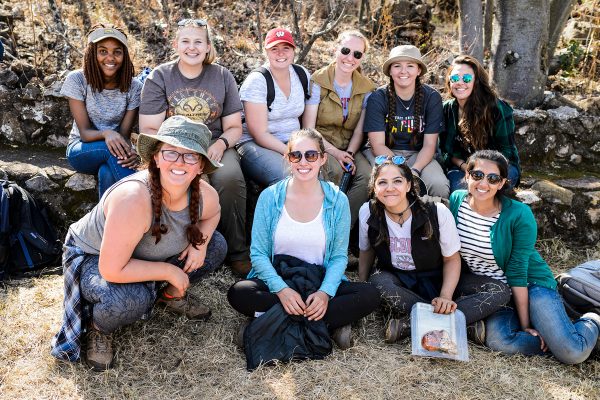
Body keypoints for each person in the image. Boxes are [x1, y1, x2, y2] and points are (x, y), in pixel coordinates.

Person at [51, 116, 228, 371]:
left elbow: (214, 214)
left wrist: (199, 246)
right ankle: (99, 328)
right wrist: (170, 271)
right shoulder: (133, 198)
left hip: (145, 255)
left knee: (216, 246)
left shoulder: (204, 194)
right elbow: (111, 269)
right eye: (171, 153)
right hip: (96, 258)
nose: (179, 162)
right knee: (129, 299)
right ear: (156, 157)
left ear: (200, 166)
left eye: (190, 156)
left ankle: (166, 296)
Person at [228, 129, 380, 350]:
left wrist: (325, 293)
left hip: (317, 279)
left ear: (322, 158)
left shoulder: (337, 200)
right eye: (295, 155)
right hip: (280, 279)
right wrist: (282, 290)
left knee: (369, 295)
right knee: (239, 293)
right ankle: (326, 325)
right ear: (288, 159)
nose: (303, 162)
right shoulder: (269, 197)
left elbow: (338, 257)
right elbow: (258, 254)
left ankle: (268, 323)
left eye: (311, 155)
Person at [448, 150, 600, 364]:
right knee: (499, 341)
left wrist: (525, 324)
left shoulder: (518, 214)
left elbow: (518, 272)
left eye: (493, 178)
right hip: (496, 292)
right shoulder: (456, 201)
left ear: (501, 184)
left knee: (572, 353)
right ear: (467, 175)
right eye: (477, 175)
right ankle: (557, 337)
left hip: (531, 286)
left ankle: (592, 320)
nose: (483, 183)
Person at [358, 155, 510, 343]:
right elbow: (366, 252)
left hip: (438, 278)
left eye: (397, 181)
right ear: (374, 187)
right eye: (382, 182)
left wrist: (445, 296)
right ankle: (463, 323)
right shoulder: (368, 211)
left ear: (408, 185)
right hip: (400, 281)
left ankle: (408, 325)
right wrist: (362, 288)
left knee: (500, 291)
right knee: (377, 284)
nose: (390, 188)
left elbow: (452, 259)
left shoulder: (436, 211)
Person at [139, 18, 250, 276]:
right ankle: (180, 247)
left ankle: (237, 251)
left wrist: (221, 144)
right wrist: (182, 153)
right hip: (175, 144)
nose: (192, 47)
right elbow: (150, 129)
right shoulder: (160, 76)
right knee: (189, 179)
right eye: (186, 41)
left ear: (208, 46)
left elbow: (234, 127)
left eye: (198, 41)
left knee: (231, 177)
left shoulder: (222, 76)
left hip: (213, 143)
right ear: (176, 44)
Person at [303, 30, 376, 228]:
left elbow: (360, 131)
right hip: (320, 142)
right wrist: (335, 153)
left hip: (350, 146)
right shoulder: (318, 81)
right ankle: (319, 228)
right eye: (345, 50)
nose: (350, 58)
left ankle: (342, 229)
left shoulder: (367, 88)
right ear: (336, 49)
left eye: (357, 54)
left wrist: (349, 154)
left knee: (367, 176)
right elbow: (309, 128)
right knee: (334, 170)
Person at [62, 24, 142, 199]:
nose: (110, 58)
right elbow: (84, 132)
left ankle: (105, 222)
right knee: (109, 150)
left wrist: (133, 153)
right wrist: (107, 134)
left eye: (117, 52)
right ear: (92, 53)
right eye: (103, 51)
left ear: (124, 55)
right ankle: (148, 205)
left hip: (117, 150)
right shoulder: (77, 80)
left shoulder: (134, 87)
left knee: (107, 172)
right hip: (81, 149)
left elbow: (123, 134)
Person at [363, 45, 449, 199]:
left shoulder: (431, 97)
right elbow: (377, 145)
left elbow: (430, 145)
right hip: (385, 153)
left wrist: (414, 170)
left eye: (410, 66)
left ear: (418, 71)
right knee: (378, 183)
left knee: (439, 185)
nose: (403, 71)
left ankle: (433, 221)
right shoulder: (378, 98)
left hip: (419, 154)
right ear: (390, 70)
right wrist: (400, 169)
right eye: (397, 66)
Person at [236, 28, 317, 186]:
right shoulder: (257, 81)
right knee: (288, 178)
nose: (280, 53)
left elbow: (307, 126)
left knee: (321, 172)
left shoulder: (301, 75)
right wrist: (292, 153)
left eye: (285, 48)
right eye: (274, 49)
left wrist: (303, 149)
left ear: (293, 50)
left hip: (293, 142)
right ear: (266, 52)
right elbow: (259, 134)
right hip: (255, 144)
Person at [440, 55, 521, 193]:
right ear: (449, 81)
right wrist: (465, 167)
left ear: (476, 81)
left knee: (484, 188)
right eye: (454, 78)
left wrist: (482, 172)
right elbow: (447, 151)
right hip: (463, 167)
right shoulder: (447, 109)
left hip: (501, 166)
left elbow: (506, 152)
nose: (460, 82)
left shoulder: (496, 109)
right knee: (461, 192)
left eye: (466, 78)